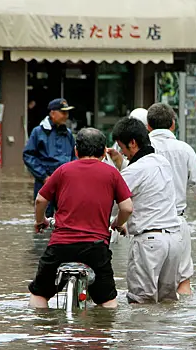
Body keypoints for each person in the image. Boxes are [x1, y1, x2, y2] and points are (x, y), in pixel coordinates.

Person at [28, 128, 133, 309]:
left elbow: (40, 200)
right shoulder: (112, 173)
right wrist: (117, 223)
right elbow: (127, 208)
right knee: (108, 302)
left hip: (60, 247)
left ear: (76, 151)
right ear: (103, 152)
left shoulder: (62, 171)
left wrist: (40, 220)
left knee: (40, 294)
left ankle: (43, 332)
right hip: (96, 248)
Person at [145, 102, 196, 295]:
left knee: (146, 289)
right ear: (173, 124)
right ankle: (181, 324)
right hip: (177, 223)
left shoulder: (142, 148)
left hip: (147, 225)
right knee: (183, 283)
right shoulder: (184, 149)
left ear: (148, 126)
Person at [111, 117, 183, 304]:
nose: (122, 153)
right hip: (174, 241)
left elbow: (118, 203)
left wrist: (118, 223)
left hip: (149, 243)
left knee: (141, 304)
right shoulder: (163, 162)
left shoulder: (133, 171)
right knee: (168, 303)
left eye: (122, 147)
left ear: (133, 143)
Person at [23, 98, 76, 218]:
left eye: (67, 113)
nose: (66, 116)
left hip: (65, 183)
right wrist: (44, 176)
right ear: (52, 113)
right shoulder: (38, 132)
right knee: (43, 217)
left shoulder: (68, 134)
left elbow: (74, 156)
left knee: (67, 216)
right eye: (63, 112)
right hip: (45, 181)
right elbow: (28, 155)